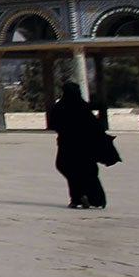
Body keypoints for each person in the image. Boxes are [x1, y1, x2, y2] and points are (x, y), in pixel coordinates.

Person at [47, 80, 109, 208]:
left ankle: (78, 198)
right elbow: (96, 125)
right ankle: (95, 199)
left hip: (67, 145)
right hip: (84, 146)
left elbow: (53, 124)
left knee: (68, 168)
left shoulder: (60, 107)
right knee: (88, 172)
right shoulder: (83, 107)